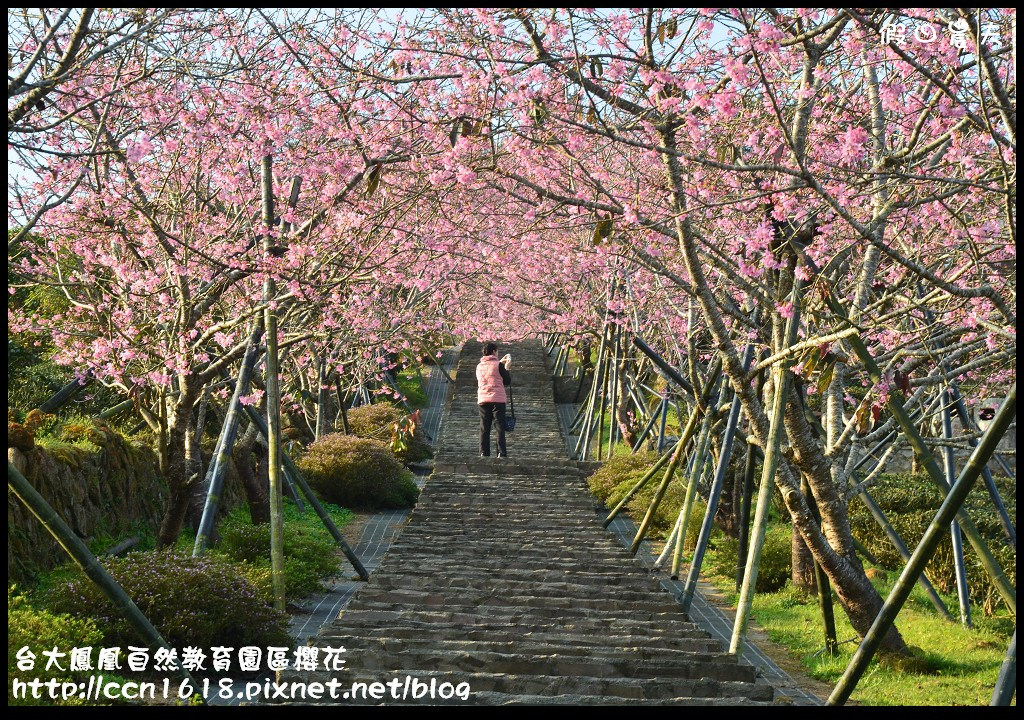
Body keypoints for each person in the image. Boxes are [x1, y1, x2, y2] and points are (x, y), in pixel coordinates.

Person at [476, 342, 512, 457]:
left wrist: (499, 363)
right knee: (499, 426)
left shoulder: (479, 366)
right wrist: (506, 368)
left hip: (483, 399)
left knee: (484, 427)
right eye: (497, 351)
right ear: (494, 352)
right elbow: (507, 381)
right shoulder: (498, 365)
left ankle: (483, 452)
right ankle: (501, 452)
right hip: (498, 399)